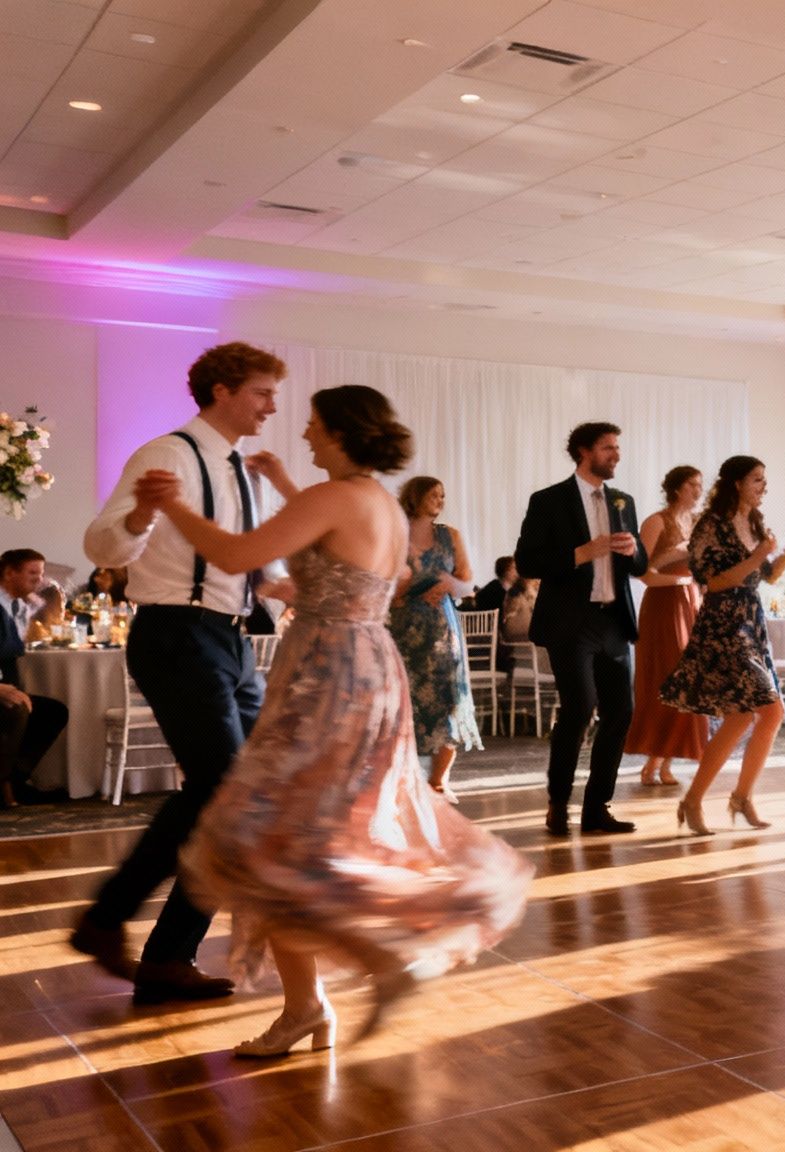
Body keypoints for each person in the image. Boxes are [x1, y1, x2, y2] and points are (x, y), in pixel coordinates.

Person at [152, 384, 530, 1056]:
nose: (304, 434)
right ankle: (311, 1004)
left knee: (269, 840)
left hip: (327, 672)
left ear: (344, 432)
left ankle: (378, 962)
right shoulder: (376, 501)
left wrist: (171, 504)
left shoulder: (335, 498)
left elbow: (237, 556)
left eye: (315, 426)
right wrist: (286, 506)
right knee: (300, 837)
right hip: (368, 665)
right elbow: (342, 561)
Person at [73, 341, 292, 1004]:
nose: (271, 405)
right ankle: (109, 918)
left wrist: (295, 589)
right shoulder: (168, 454)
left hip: (230, 640)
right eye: (261, 391)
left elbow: (255, 561)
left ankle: (166, 953)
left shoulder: (240, 469)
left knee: (240, 797)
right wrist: (141, 513)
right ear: (223, 389)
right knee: (223, 789)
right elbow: (102, 542)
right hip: (174, 634)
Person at [513, 422, 646, 837]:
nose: (617, 455)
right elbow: (528, 562)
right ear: (584, 451)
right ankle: (558, 802)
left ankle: (597, 808)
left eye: (618, 447)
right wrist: (581, 553)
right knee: (580, 706)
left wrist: (634, 550)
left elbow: (640, 567)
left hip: (613, 620)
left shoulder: (623, 501)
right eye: (609, 448)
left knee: (621, 711)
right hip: (571, 622)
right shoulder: (548, 500)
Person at [661, 456, 785, 836]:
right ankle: (700, 800)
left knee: (752, 715)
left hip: (751, 622)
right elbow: (715, 581)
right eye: (758, 479)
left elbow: (768, 576)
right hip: (724, 624)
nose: (764, 486)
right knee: (762, 712)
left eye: (764, 479)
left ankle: (734, 797)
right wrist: (759, 555)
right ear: (737, 483)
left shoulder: (755, 522)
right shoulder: (710, 524)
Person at [390, 476, 482, 800]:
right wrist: (405, 590)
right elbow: (380, 582)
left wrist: (447, 584)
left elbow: (468, 582)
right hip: (401, 630)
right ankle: (401, 780)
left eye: (443, 495)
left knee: (447, 701)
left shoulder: (450, 535)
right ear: (415, 496)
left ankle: (439, 780)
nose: (440, 500)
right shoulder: (393, 533)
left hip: (442, 631)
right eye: (433, 494)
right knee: (402, 702)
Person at [625, 466, 709, 786]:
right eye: (692, 485)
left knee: (689, 682)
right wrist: (681, 576)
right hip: (662, 607)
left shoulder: (698, 522)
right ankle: (652, 761)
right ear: (676, 488)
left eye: (700, 485)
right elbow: (642, 573)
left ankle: (664, 763)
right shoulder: (656, 521)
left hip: (691, 604)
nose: (698, 491)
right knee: (666, 679)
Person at [2, 549, 70, 807]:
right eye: (32, 574)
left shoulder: (14, 604)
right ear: (9, 573)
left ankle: (16, 781)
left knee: (53, 712)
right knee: (18, 710)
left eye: (41, 574)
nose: (39, 581)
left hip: (10, 687)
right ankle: (5, 786)